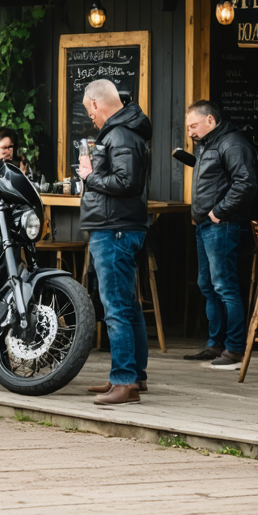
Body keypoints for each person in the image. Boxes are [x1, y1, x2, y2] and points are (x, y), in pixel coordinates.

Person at [75, 79, 153, 406]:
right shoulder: (124, 132)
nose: (89, 116)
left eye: (88, 110)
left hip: (114, 229)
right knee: (127, 305)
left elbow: (126, 182)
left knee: (116, 307)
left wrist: (88, 176)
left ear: (96, 104)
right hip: (119, 226)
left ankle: (124, 382)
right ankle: (133, 375)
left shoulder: (119, 134)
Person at [183, 100, 257, 370]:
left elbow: (245, 183)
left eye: (193, 126)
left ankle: (234, 349)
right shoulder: (207, 144)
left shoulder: (232, 143)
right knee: (208, 286)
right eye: (188, 127)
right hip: (205, 225)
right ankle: (215, 344)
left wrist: (218, 211)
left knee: (224, 286)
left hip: (221, 225)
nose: (190, 132)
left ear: (210, 121)